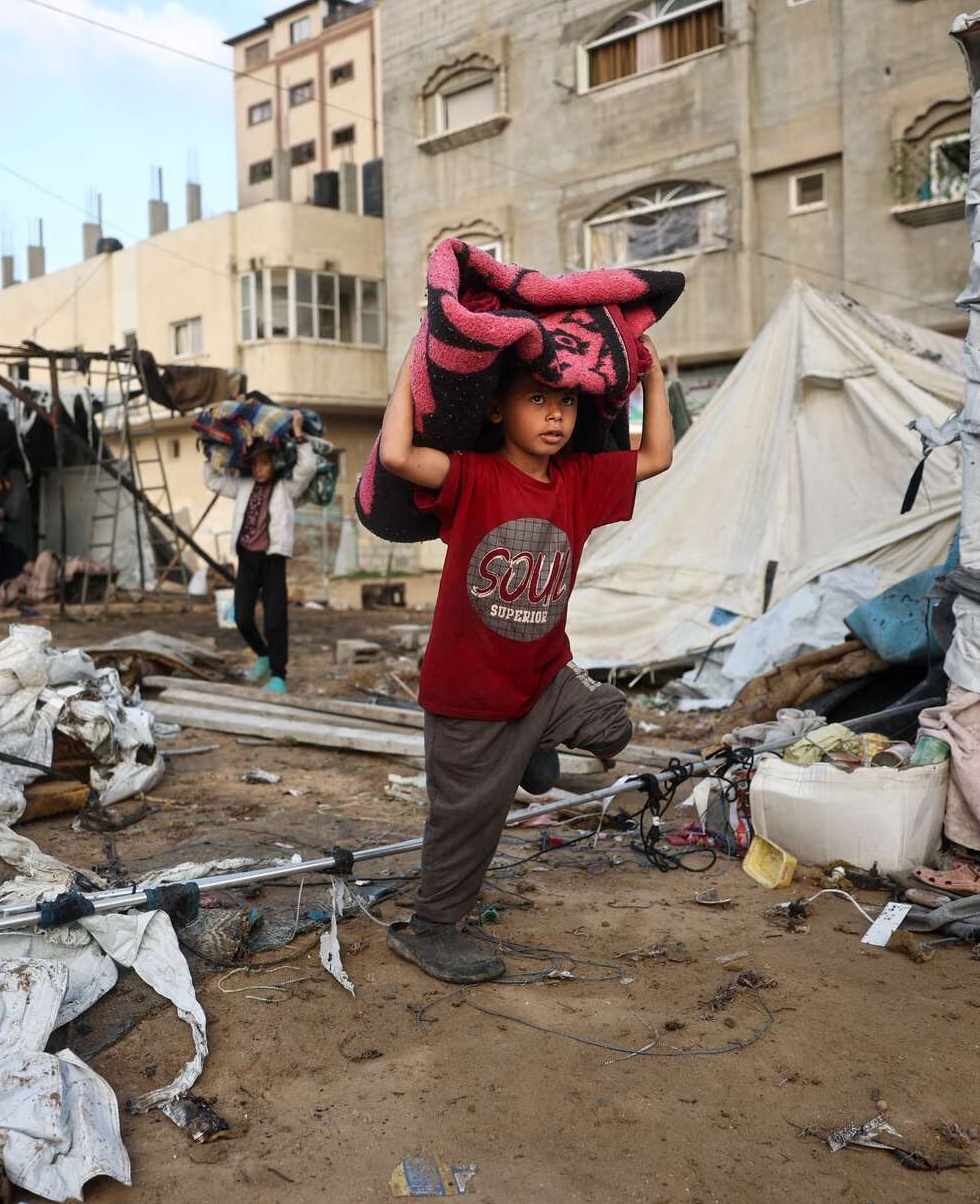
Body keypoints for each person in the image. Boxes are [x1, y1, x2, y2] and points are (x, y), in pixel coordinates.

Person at [376, 337, 675, 982]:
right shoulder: (473, 476)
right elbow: (397, 455)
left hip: (543, 678)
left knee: (612, 727)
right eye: (536, 400)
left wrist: (653, 376)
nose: (555, 416)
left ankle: (531, 748)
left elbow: (657, 456)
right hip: (470, 692)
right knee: (467, 824)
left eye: (565, 402)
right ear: (496, 413)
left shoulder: (579, 482)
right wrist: (413, 366)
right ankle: (429, 930)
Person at [203, 413, 317, 693]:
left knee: (275, 619)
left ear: (274, 464)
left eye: (263, 464)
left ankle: (279, 675)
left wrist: (299, 433)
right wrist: (210, 451)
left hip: (273, 558)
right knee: (242, 617)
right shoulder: (243, 485)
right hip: (247, 559)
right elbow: (214, 482)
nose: (258, 470)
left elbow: (307, 469)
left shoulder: (285, 487)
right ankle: (264, 655)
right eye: (254, 464)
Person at [0, 468, 35, 584]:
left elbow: (14, 515)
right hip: (15, 538)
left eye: (8, 481)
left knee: (12, 568)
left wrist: (3, 515)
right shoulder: (16, 494)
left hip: (15, 539)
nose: (7, 484)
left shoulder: (17, 496)